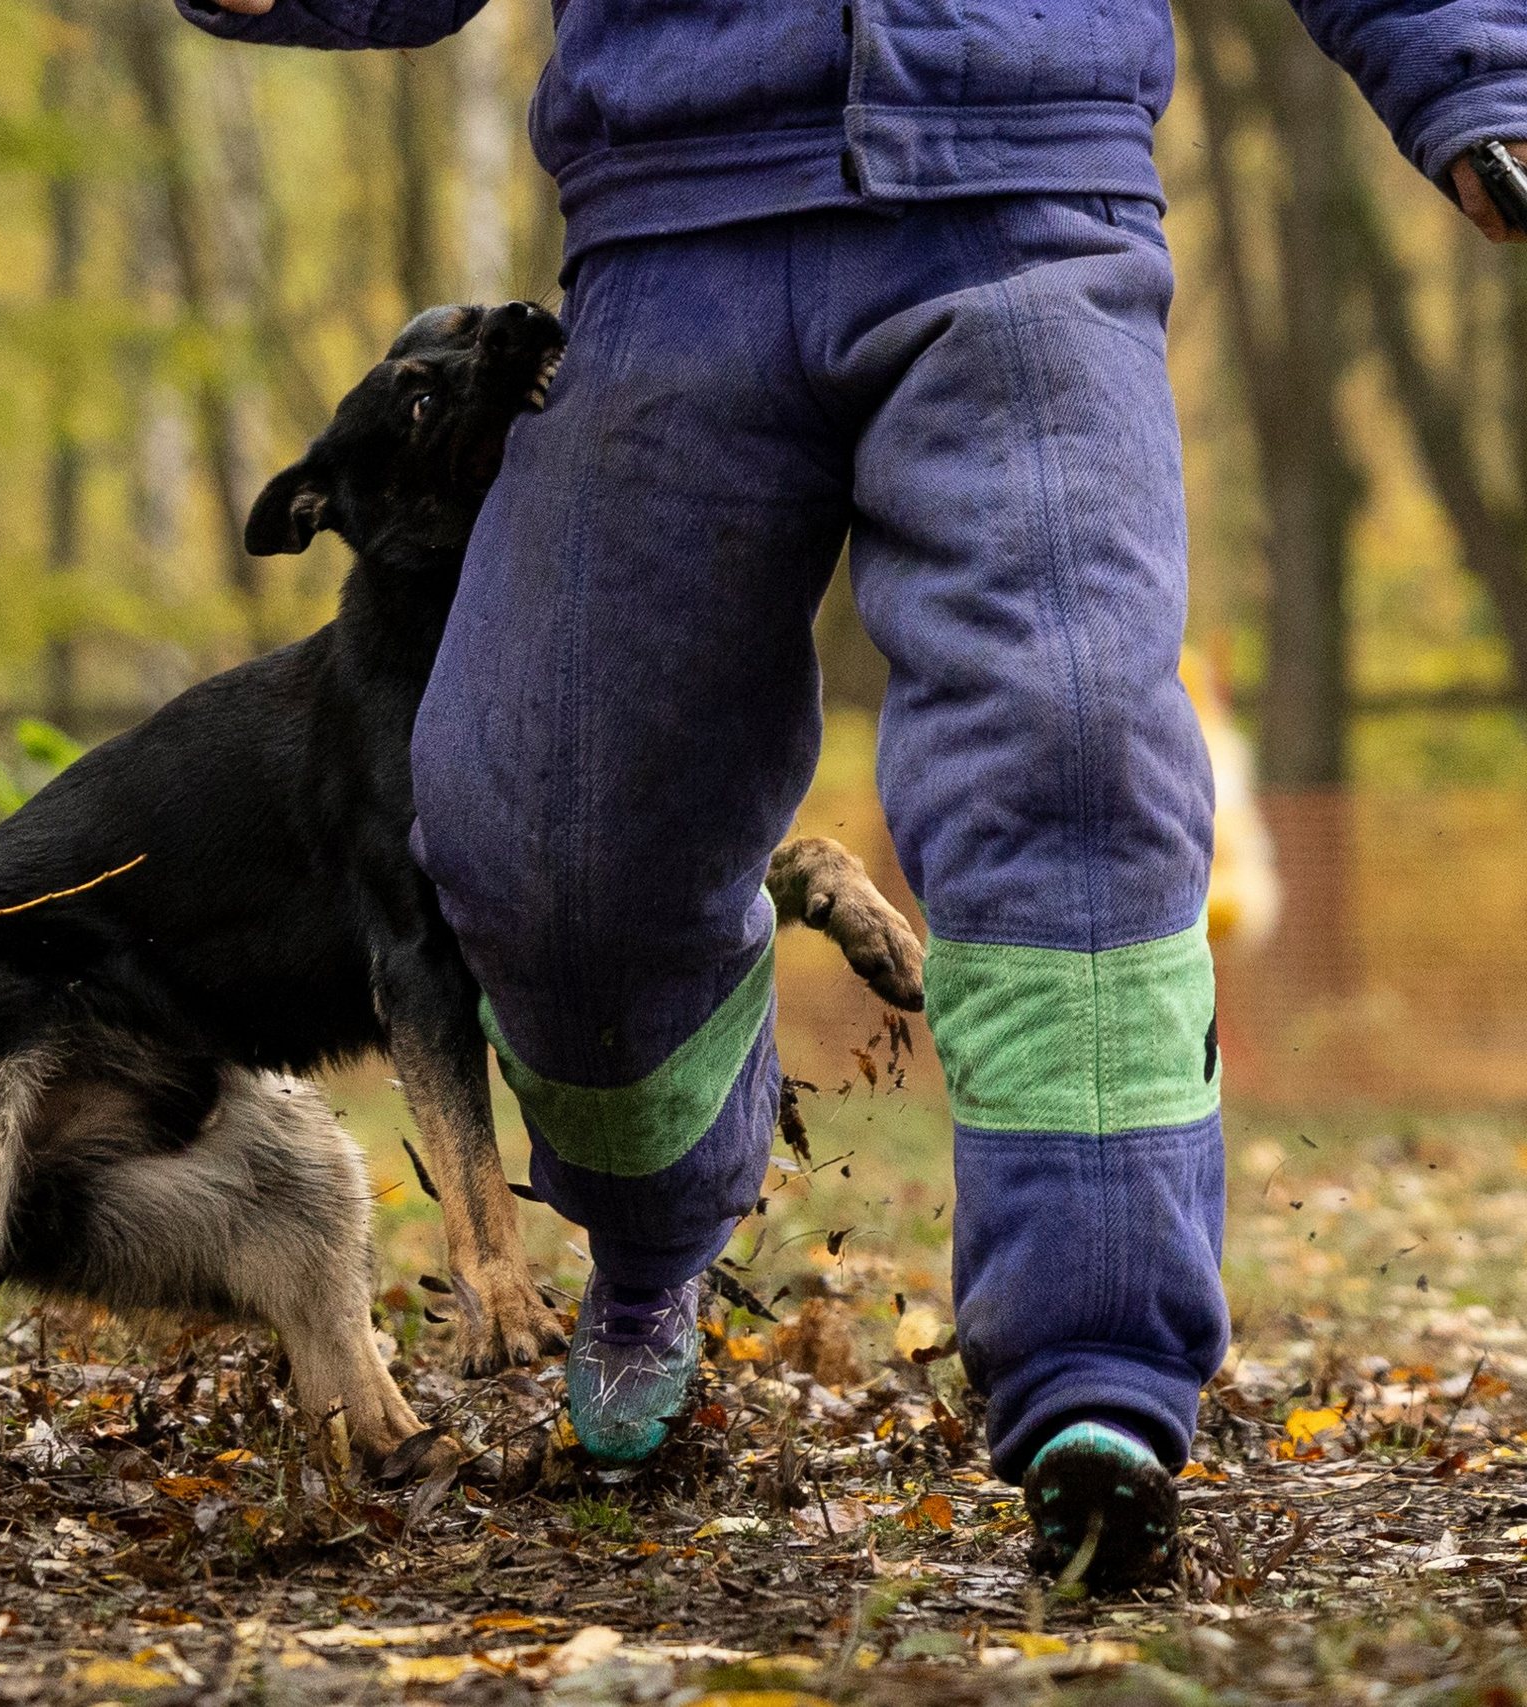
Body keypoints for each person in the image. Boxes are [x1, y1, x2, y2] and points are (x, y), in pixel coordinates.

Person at [177, 0, 1527, 1584]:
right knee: (544, 831)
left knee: (1075, 744)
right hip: (668, 228)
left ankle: (1098, 1370)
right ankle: (650, 1246)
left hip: (1021, 197)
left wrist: (1478, 67)